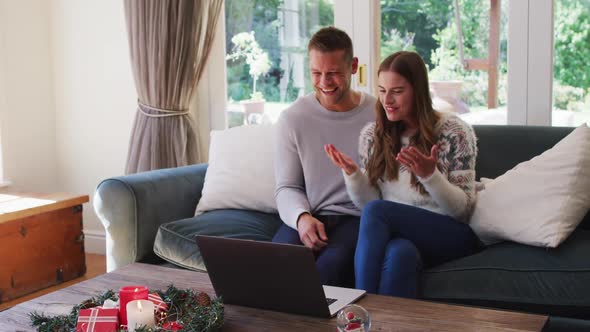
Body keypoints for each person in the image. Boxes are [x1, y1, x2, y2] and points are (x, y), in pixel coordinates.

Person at [325, 51, 481, 297]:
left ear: (418, 91)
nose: (387, 100)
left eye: (397, 91)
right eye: (382, 90)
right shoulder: (373, 135)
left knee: (379, 213)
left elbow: (462, 211)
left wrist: (430, 176)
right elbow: (370, 204)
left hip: (450, 233)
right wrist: (353, 174)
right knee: (400, 254)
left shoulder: (454, 131)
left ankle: (359, 307)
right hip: (399, 234)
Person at [273, 26, 376, 287]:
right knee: (273, 268)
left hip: (357, 218)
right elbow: (287, 187)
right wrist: (301, 218)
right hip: (311, 215)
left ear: (353, 66)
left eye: (333, 74)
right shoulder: (293, 118)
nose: (324, 83)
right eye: (316, 73)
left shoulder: (378, 114)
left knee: (326, 273)